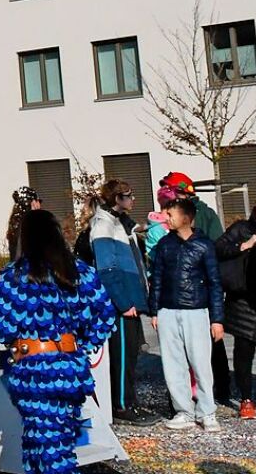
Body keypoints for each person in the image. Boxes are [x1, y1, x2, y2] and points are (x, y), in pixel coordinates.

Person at [0, 209, 116, 474]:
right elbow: (105, 314)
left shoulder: (17, 276)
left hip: (33, 372)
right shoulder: (80, 272)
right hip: (70, 368)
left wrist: (18, 334)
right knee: (48, 445)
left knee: (48, 452)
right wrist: (79, 346)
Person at [148, 198, 225, 431]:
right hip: (168, 310)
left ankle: (207, 411)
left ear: (187, 218)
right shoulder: (164, 245)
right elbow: (157, 279)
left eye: (171, 214)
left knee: (201, 362)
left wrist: (217, 319)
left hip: (196, 310)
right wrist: (154, 310)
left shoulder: (204, 245)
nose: (166, 218)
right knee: (173, 365)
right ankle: (183, 411)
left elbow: (214, 283)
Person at [89, 179, 159, 426]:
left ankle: (129, 401)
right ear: (116, 199)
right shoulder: (103, 224)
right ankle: (121, 404)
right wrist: (121, 301)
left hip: (132, 299)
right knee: (121, 356)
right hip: (121, 304)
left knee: (131, 355)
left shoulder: (121, 223)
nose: (133, 199)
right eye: (128, 195)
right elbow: (107, 268)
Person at [215, 192, 256, 420]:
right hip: (243, 300)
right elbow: (219, 248)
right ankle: (246, 399)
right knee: (243, 352)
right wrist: (244, 245)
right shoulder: (241, 228)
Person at [6, 186, 41, 260]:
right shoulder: (31, 225)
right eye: (38, 201)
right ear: (33, 203)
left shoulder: (15, 223)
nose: (39, 205)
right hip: (30, 268)